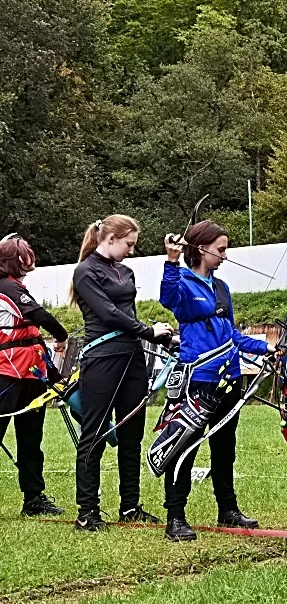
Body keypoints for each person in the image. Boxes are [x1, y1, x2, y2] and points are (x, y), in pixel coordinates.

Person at [158, 219, 271, 541]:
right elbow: (167, 299)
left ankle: (228, 510)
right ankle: (175, 517)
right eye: (220, 249)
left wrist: (263, 347)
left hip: (228, 375)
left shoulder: (221, 288)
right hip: (198, 377)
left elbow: (232, 333)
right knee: (184, 446)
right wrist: (171, 259)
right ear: (202, 249)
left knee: (225, 446)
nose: (225, 255)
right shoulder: (180, 280)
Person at [71, 216, 174, 531]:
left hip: (132, 359)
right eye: (129, 244)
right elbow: (108, 313)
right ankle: (87, 513)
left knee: (132, 435)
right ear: (111, 237)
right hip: (102, 361)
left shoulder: (125, 272)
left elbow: (128, 314)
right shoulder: (85, 271)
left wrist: (164, 337)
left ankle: (130, 507)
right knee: (95, 434)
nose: (131, 250)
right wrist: (148, 330)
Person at [0, 235, 68, 516]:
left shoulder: (15, 287)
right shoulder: (6, 288)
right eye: (25, 257)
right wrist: (62, 336)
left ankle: (34, 499)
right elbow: (40, 316)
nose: (30, 262)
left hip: (32, 373)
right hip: (6, 373)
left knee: (31, 440)